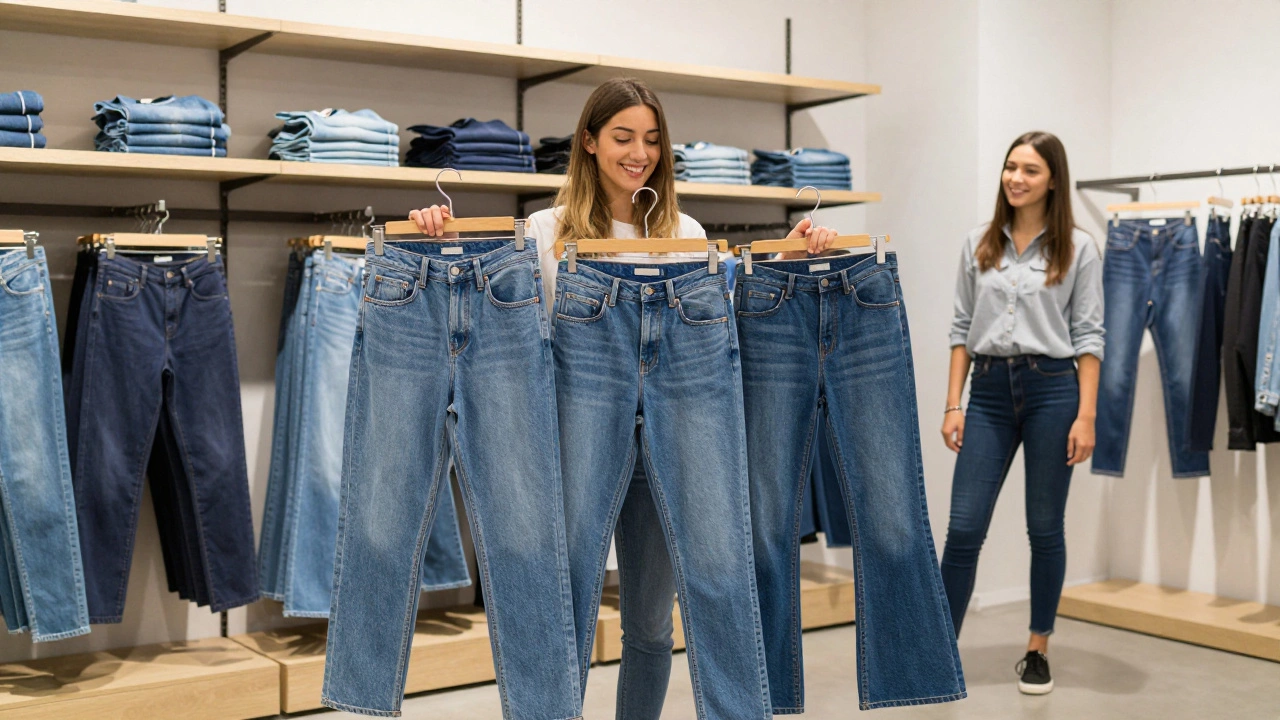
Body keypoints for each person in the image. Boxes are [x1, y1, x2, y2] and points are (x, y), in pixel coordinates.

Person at [412, 77, 836, 719]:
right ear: (588, 142)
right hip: (577, 425)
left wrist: (800, 254)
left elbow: (732, 314)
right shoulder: (544, 230)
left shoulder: (684, 229)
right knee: (567, 606)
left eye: (652, 140)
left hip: (674, 424)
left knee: (649, 622)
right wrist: (438, 236)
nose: (639, 152)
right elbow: (488, 300)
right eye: (622, 137)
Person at [940, 130, 1104, 696]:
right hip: (985, 390)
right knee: (963, 527)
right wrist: (952, 403)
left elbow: (1088, 337)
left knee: (1043, 526)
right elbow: (961, 329)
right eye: (1011, 167)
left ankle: (1037, 648)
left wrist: (1086, 416)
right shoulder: (978, 244)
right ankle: (940, 647)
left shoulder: (1079, 249)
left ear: (1053, 179)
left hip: (1053, 391)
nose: (1016, 178)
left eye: (1030, 170)